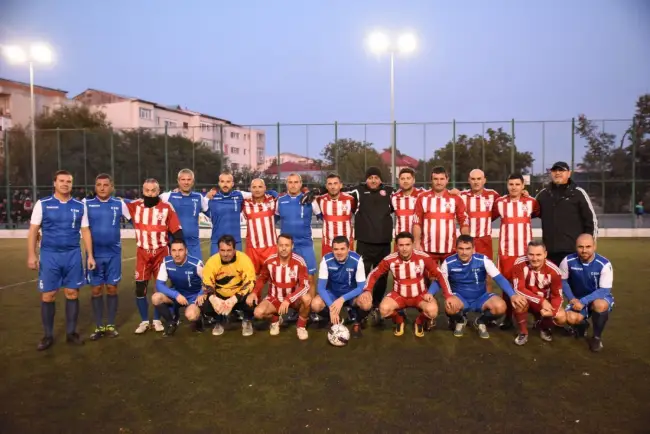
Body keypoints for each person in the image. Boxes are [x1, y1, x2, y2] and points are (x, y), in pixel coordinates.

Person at [27, 170, 96, 350]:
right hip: (50, 255)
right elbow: (33, 231)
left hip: (73, 255)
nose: (65, 184)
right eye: (62, 181)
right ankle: (48, 335)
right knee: (48, 295)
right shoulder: (43, 204)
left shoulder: (80, 206)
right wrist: (32, 255)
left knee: (72, 293)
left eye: (69, 181)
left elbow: (86, 231)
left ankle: (71, 333)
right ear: (55, 183)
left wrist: (90, 255)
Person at [357, 232, 451, 337]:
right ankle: (399, 319)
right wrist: (368, 290)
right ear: (396, 246)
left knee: (432, 311)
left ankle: (419, 322)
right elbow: (374, 274)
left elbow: (440, 275)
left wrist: (448, 296)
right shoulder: (389, 259)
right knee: (383, 310)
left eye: (407, 245)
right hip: (399, 295)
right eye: (401, 245)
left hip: (420, 295)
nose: (404, 248)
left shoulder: (423, 257)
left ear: (412, 244)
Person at [125, 178, 184, 334]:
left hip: (161, 253)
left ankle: (158, 320)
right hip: (142, 253)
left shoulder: (166, 207)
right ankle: (144, 321)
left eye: (153, 191)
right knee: (140, 289)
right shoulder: (134, 206)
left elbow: (177, 232)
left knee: (160, 288)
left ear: (158, 192)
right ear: (142, 191)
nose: (150, 193)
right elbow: (115, 202)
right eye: (147, 190)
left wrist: (179, 250)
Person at [438, 235, 525, 339]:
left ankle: (480, 321)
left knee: (501, 306)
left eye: (468, 249)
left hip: (481, 298)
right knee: (450, 306)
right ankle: (460, 320)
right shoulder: (448, 262)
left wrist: (512, 295)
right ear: (455, 249)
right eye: (461, 248)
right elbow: (439, 281)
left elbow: (499, 278)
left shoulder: (483, 260)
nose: (464, 252)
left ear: (473, 249)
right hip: (460, 298)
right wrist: (430, 293)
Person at [342, 167, 395, 318]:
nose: (373, 180)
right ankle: (360, 304)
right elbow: (339, 190)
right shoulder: (358, 191)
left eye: (376, 177)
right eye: (370, 177)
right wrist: (319, 191)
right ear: (366, 179)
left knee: (382, 276)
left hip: (383, 243)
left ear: (380, 179)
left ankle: (376, 304)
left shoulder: (390, 192)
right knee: (361, 275)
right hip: (365, 243)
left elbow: (408, 194)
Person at [84, 173, 131, 340]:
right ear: (95, 187)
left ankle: (110, 325)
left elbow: (138, 212)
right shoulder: (86, 204)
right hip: (94, 255)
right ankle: (98, 326)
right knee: (96, 290)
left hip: (113, 254)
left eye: (106, 185)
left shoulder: (119, 204)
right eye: (99, 185)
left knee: (112, 288)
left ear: (112, 187)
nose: (102, 188)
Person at [492, 173, 540, 330]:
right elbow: (489, 216)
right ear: (507, 185)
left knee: (529, 285)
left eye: (517, 184)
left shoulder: (531, 202)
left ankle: (535, 317)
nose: (514, 187)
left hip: (526, 253)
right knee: (507, 286)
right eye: (511, 184)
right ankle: (507, 319)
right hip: (507, 253)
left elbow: (538, 213)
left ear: (523, 186)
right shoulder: (499, 203)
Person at [248, 233, 312, 340]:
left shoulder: (299, 261)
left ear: (292, 246)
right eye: (281, 245)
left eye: (287, 245)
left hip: (294, 299)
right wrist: (254, 292)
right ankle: (276, 318)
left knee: (307, 298)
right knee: (258, 313)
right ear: (277, 246)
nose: (283, 248)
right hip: (274, 298)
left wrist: (288, 299)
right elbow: (262, 278)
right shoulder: (269, 261)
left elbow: (304, 286)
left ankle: (301, 326)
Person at [535, 161, 598, 266]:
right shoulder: (543, 194)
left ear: (569, 173)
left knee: (574, 282)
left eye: (561, 170)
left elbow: (591, 221)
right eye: (555, 170)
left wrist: (589, 245)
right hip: (550, 252)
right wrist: (523, 196)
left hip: (573, 252)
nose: (557, 173)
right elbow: (529, 210)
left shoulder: (578, 193)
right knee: (553, 282)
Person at [560, 233, 614, 352]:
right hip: (578, 298)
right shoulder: (568, 260)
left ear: (594, 246)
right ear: (576, 247)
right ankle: (582, 324)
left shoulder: (604, 264)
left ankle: (596, 337)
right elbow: (563, 281)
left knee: (600, 305)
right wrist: (572, 298)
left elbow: (604, 290)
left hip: (598, 298)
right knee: (569, 318)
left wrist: (584, 301)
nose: (584, 250)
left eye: (588, 246)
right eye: (580, 247)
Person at [511, 241, 567, 346]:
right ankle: (523, 332)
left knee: (561, 316)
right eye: (531, 254)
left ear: (545, 254)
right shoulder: (519, 263)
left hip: (545, 304)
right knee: (518, 301)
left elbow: (557, 296)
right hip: (529, 300)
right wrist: (541, 301)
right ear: (526, 253)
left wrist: (553, 312)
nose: (535, 258)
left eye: (538, 255)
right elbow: (519, 289)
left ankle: (543, 327)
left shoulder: (554, 271)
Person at [274, 173, 321, 296]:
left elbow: (324, 217)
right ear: (286, 184)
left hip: (305, 245)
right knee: (289, 278)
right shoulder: (280, 201)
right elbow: (274, 219)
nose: (293, 185)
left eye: (296, 182)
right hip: (287, 247)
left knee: (310, 278)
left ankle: (311, 310)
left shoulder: (310, 200)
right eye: (290, 182)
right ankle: (291, 307)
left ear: (300, 184)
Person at [311, 235, 367, 338]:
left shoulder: (357, 260)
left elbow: (360, 287)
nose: (339, 252)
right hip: (333, 293)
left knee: (366, 303)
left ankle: (357, 322)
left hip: (351, 294)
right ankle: (334, 318)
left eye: (342, 249)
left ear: (348, 249)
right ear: (332, 249)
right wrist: (332, 307)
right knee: (315, 304)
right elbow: (321, 288)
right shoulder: (326, 260)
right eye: (336, 249)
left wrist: (342, 299)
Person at [201, 234, 257, 336]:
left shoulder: (244, 259)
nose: (225, 254)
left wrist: (234, 299)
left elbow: (250, 282)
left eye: (229, 250)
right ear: (218, 250)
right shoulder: (212, 262)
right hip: (220, 295)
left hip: (239, 294)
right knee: (204, 303)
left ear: (234, 250)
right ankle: (219, 320)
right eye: (222, 250)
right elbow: (207, 283)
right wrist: (214, 299)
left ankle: (247, 320)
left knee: (252, 298)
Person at [413, 166, 470, 264]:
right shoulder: (422, 198)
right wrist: (417, 243)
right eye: (435, 179)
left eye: (442, 179)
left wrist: (467, 242)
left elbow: (463, 222)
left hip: (450, 249)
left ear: (447, 180)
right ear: (431, 180)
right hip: (427, 249)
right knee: (428, 278)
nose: (439, 182)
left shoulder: (455, 198)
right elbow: (417, 222)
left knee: (450, 278)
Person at [152, 238, 206, 336]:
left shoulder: (196, 264)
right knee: (156, 297)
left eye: (180, 250)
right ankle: (171, 322)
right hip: (177, 294)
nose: (177, 254)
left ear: (186, 251)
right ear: (170, 252)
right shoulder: (166, 262)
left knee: (191, 315)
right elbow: (159, 284)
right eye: (174, 250)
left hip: (193, 296)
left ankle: (199, 320)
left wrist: (201, 294)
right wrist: (176, 295)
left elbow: (208, 282)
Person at [160, 169, 210, 261]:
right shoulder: (167, 196)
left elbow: (212, 213)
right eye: (183, 179)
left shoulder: (199, 197)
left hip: (193, 244)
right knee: (173, 273)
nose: (186, 182)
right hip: (174, 244)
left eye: (189, 180)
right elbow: (151, 203)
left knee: (197, 272)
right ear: (178, 181)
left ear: (193, 182)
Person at [456, 169, 500, 260]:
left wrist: (523, 193)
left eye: (479, 179)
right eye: (473, 179)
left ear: (484, 180)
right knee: (467, 268)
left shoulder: (493, 195)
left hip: (485, 240)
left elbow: (506, 202)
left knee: (486, 269)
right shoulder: (462, 196)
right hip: (468, 239)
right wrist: (451, 192)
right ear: (469, 180)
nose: (476, 182)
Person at [242, 178, 279, 274]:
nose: (257, 189)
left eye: (260, 187)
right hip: (252, 248)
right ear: (250, 189)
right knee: (251, 278)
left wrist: (274, 193)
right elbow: (234, 194)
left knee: (274, 278)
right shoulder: (244, 203)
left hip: (270, 247)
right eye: (254, 187)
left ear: (265, 188)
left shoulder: (273, 200)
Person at [315, 173, 356, 257]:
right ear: (326, 186)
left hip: (346, 244)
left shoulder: (350, 199)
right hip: (328, 244)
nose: (333, 187)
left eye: (335, 183)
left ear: (340, 185)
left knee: (348, 269)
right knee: (327, 269)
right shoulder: (320, 199)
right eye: (330, 184)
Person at [391, 167, 425, 251]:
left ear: (413, 180)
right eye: (402, 179)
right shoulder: (394, 197)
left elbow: (439, 193)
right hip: (400, 242)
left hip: (419, 242)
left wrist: (453, 192)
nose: (405, 181)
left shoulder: (423, 195)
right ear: (399, 181)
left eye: (408, 178)